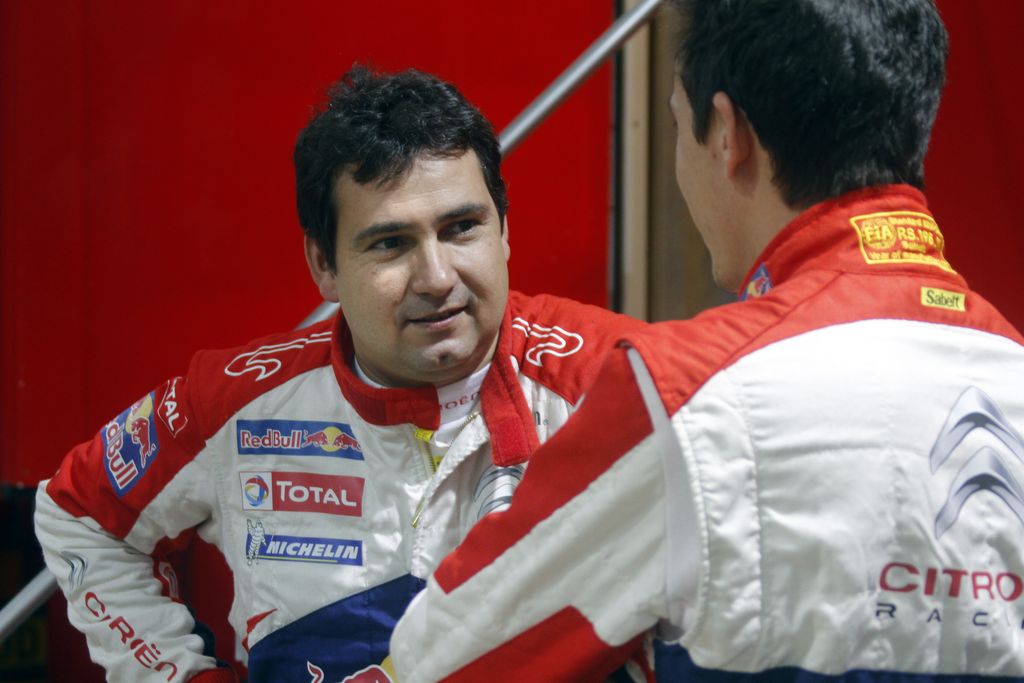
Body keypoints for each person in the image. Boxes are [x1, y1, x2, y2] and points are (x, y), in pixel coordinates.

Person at [390, 0, 1024, 680]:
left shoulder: (683, 391)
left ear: (726, 133)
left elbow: (444, 659)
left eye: (675, 123)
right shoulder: (1010, 367)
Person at [33, 66, 643, 683]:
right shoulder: (234, 404)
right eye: (391, 243)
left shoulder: (617, 383)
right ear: (324, 265)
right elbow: (78, 514)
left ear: (504, 230)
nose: (437, 278)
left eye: (462, 228)